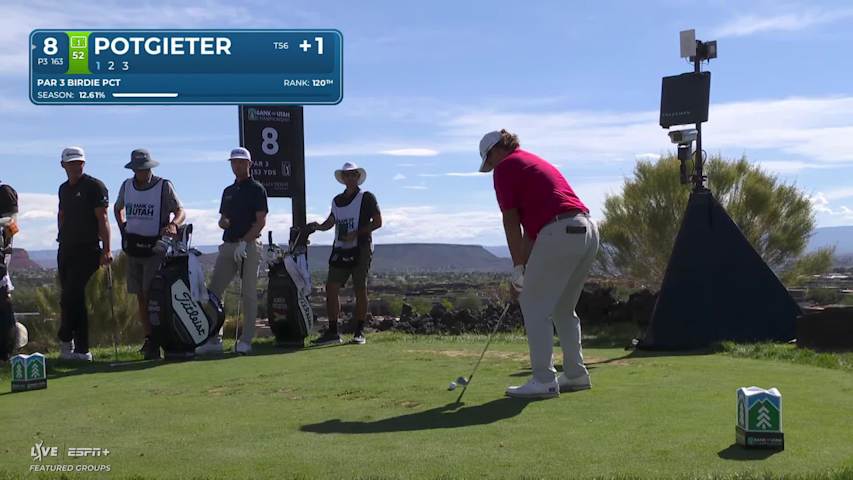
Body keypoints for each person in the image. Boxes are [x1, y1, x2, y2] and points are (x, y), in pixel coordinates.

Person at [479, 130, 599, 399]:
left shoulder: (506, 166)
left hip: (559, 231)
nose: (491, 167)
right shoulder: (531, 162)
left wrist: (518, 269)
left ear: (496, 150)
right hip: (586, 230)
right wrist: (522, 271)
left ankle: (544, 380)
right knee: (563, 308)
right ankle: (576, 374)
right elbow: (532, 233)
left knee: (533, 306)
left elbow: (511, 221)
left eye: (489, 160)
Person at [114, 149, 185, 360]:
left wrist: (173, 224)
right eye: (138, 169)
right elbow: (117, 208)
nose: (141, 172)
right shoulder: (127, 186)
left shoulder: (163, 186)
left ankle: (162, 337)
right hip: (133, 248)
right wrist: (123, 228)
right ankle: (150, 339)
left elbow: (180, 211)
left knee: (152, 293)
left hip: (155, 248)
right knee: (140, 295)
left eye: (144, 169)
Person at [196, 148, 267, 355]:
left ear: (249, 164)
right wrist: (223, 222)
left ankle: (246, 340)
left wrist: (245, 242)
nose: (237, 165)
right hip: (228, 246)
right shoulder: (228, 191)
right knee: (213, 292)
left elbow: (260, 222)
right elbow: (222, 219)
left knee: (249, 293)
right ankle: (213, 339)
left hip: (249, 246)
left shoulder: (257, 189)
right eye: (234, 162)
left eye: (241, 162)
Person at [308, 162, 382, 345]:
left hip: (361, 248)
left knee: (359, 288)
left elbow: (377, 222)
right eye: (346, 175)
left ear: (358, 177)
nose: (350, 178)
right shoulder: (337, 201)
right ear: (342, 178)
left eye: (353, 174)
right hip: (340, 248)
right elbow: (331, 221)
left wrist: (357, 233)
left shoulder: (367, 197)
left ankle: (359, 331)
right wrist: (318, 227)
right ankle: (333, 332)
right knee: (331, 287)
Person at [57, 146, 112, 361]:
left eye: (79, 162)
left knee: (72, 293)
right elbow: (61, 214)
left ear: (84, 163)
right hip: (66, 248)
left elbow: (103, 218)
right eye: (71, 163)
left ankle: (68, 340)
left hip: (88, 248)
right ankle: (78, 349)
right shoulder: (63, 188)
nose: (76, 166)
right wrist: (61, 235)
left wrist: (107, 249)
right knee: (71, 297)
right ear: (63, 165)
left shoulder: (94, 186)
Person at [0, 179, 19, 362]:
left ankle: (5, 354)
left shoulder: (4, 192)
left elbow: (12, 225)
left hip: (0, 257)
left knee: (3, 302)